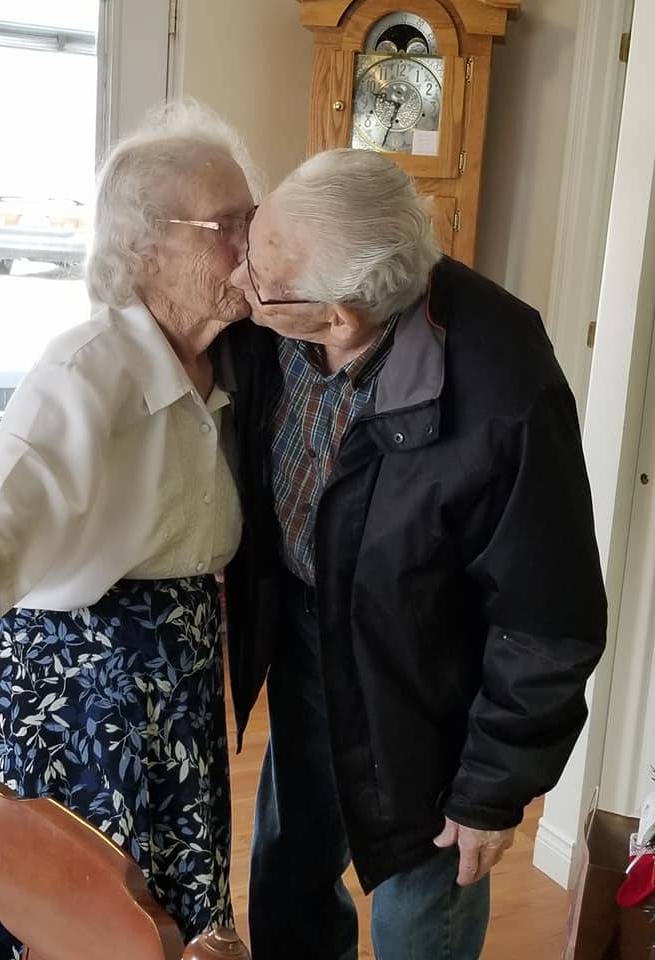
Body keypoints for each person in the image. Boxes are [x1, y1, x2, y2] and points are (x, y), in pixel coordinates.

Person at [220, 148, 608, 960]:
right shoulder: (270, 314)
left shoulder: (508, 385)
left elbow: (549, 617)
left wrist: (490, 791)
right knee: (291, 865)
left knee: (418, 910)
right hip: (305, 631)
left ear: (339, 318)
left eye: (260, 275)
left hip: (429, 690)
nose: (239, 280)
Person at [0, 100, 256, 955]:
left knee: (178, 914)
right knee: (88, 920)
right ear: (143, 248)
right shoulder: (87, 368)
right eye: (229, 225)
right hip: (85, 691)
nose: (251, 246)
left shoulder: (235, 362)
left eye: (252, 221)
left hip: (179, 678)